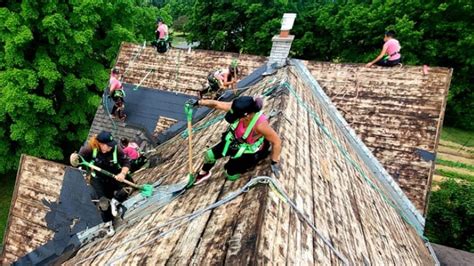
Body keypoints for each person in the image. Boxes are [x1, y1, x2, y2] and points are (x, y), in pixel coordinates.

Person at [188, 96, 282, 184]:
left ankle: (258, 157)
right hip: (233, 141)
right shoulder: (238, 108)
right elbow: (216, 104)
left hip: (247, 150)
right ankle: (204, 173)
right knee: (209, 155)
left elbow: (277, 141)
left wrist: (275, 162)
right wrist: (198, 102)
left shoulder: (260, 125)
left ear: (247, 115)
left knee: (230, 175)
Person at [70, 131, 132, 222]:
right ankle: (108, 224)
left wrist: (122, 173)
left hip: (114, 176)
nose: (111, 146)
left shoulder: (116, 148)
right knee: (104, 204)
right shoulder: (89, 149)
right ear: (101, 144)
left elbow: (126, 162)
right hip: (98, 179)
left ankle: (115, 201)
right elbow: (78, 161)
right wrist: (74, 160)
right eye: (109, 145)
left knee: (128, 188)